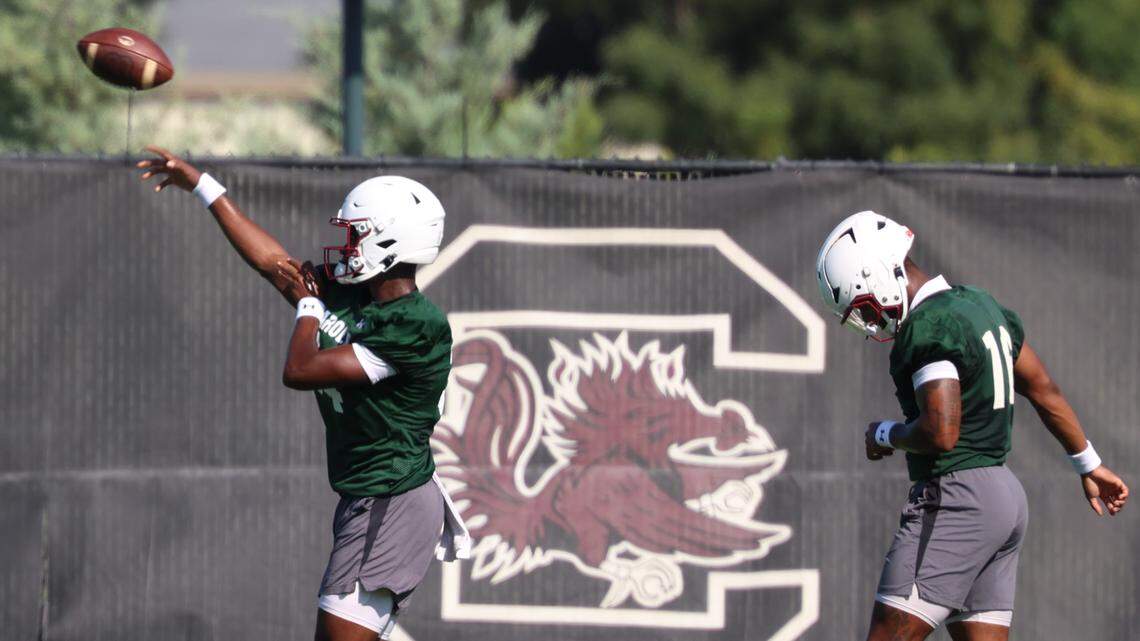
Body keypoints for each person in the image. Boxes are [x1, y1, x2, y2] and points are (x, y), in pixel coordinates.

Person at [138, 147, 470, 641]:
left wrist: (309, 308)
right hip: (367, 497)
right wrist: (201, 185)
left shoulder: (416, 326)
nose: (345, 245)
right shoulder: (357, 296)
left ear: (390, 244)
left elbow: (300, 369)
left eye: (356, 235)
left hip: (392, 501)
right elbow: (275, 264)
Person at [815, 211, 1129, 641]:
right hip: (1005, 499)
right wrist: (1088, 463)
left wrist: (884, 433)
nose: (871, 323)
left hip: (957, 499)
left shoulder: (930, 325)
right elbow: (1044, 390)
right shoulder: (981, 305)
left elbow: (941, 431)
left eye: (864, 306)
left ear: (876, 274)